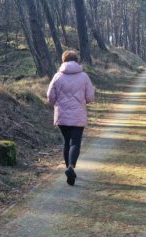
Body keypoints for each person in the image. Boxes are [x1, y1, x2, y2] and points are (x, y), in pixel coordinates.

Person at [47, 50, 95, 186]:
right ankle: (71, 167)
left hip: (62, 115)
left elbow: (50, 97)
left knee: (66, 141)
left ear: (63, 61)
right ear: (77, 61)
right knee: (75, 142)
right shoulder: (84, 76)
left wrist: (58, 103)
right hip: (78, 114)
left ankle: (68, 168)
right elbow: (90, 97)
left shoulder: (57, 76)